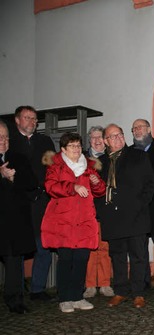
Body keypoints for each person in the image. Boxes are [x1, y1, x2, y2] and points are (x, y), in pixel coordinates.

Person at [40, 132, 106, 313]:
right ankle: (65, 298)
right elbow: (50, 186)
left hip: (84, 220)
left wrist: (96, 183)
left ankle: (78, 296)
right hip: (63, 220)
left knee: (81, 258)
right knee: (66, 259)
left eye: (78, 145)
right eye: (72, 146)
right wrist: (73, 187)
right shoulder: (56, 166)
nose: (76, 149)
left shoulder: (88, 166)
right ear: (63, 149)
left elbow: (100, 191)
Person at [97, 124, 154, 309]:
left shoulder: (138, 155)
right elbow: (97, 190)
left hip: (136, 216)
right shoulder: (100, 163)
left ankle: (138, 293)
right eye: (113, 136)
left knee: (138, 256)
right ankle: (120, 291)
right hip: (113, 218)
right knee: (117, 256)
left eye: (120, 135)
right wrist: (102, 210)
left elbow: (150, 184)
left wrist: (140, 204)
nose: (118, 138)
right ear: (106, 141)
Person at [9, 106, 56, 302]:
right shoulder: (8, 142)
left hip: (41, 202)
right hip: (17, 202)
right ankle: (17, 289)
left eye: (34, 119)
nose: (32, 122)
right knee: (18, 248)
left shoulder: (44, 141)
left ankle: (37, 289)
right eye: (27, 118)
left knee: (43, 246)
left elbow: (53, 167)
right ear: (17, 120)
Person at [0, 120, 38, 314]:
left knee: (14, 261)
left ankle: (15, 299)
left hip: (14, 222)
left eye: (6, 136)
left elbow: (32, 182)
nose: (3, 140)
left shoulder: (19, 158)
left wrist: (13, 178)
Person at [131, 118, 154, 290]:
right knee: (139, 245)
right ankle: (143, 280)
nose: (138, 131)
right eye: (134, 128)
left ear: (149, 129)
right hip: (136, 206)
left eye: (141, 127)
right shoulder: (129, 153)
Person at [83, 126, 114, 298]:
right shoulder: (81, 159)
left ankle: (104, 283)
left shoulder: (111, 159)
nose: (96, 141)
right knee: (89, 248)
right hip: (87, 211)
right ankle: (90, 285)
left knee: (104, 248)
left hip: (105, 210)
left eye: (99, 138)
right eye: (93, 138)